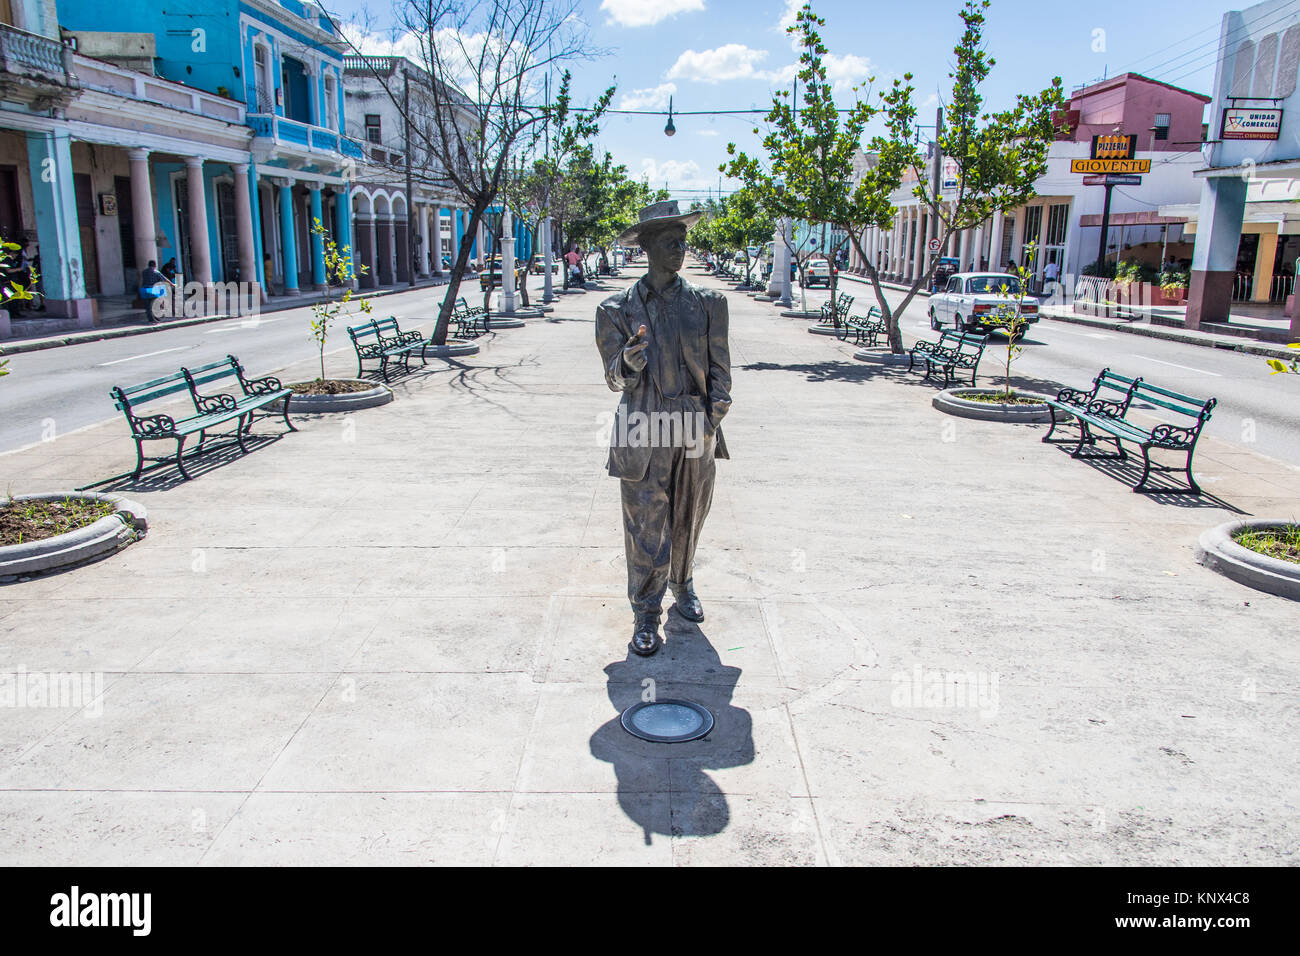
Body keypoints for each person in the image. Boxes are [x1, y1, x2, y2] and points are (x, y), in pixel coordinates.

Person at [595, 200, 732, 657]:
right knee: (644, 523)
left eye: (683, 241)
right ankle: (645, 612)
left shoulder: (709, 303)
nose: (681, 249)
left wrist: (714, 414)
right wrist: (627, 364)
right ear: (648, 247)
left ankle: (683, 582)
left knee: (689, 514)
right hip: (642, 425)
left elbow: (720, 369)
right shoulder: (614, 309)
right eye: (671, 242)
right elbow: (613, 377)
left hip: (694, 425)